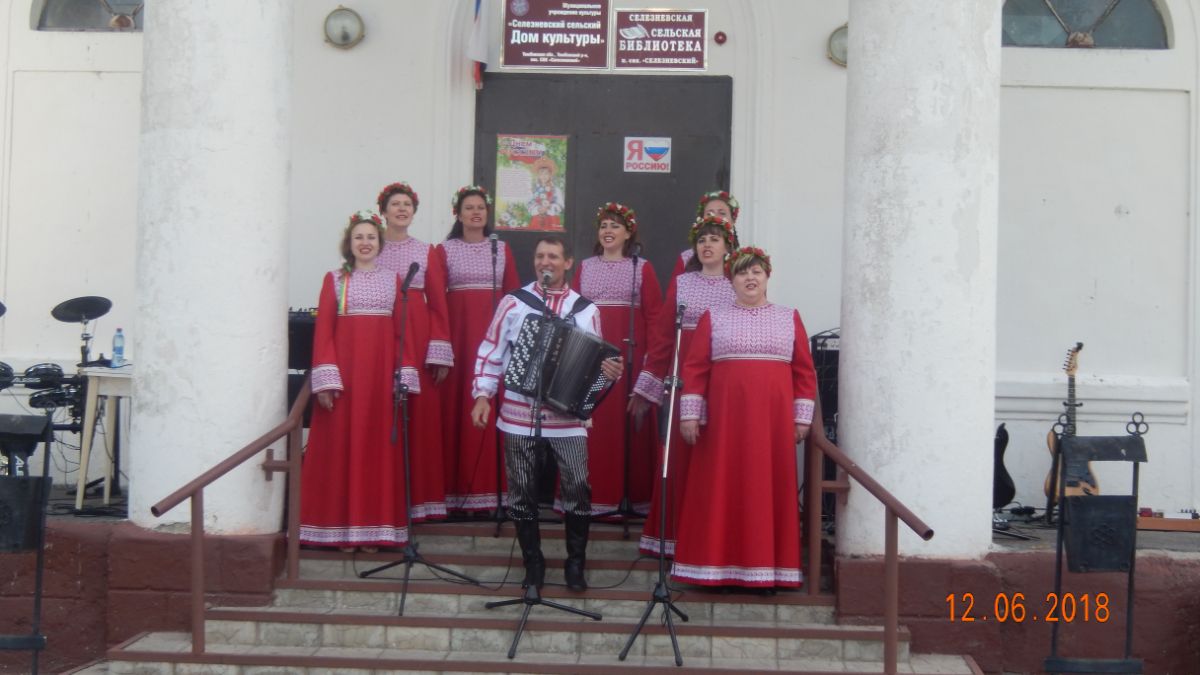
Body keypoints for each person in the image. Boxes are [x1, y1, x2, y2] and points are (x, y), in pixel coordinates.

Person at [470, 236, 623, 592]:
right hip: (519, 415)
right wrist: (482, 395)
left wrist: (609, 372)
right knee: (521, 490)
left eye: (553, 256)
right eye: (540, 256)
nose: (545, 262)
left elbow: (596, 366)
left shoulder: (585, 310)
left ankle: (575, 562)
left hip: (567, 419)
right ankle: (533, 564)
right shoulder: (514, 303)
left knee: (577, 487)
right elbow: (491, 351)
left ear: (568, 263)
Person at [672, 246, 816, 589]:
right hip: (723, 426)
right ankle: (714, 569)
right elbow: (695, 368)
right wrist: (690, 415)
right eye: (741, 272)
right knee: (721, 489)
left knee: (766, 490)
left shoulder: (789, 317)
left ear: (767, 277)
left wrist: (802, 418)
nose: (749, 278)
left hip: (772, 427)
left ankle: (768, 573)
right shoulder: (713, 317)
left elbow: (804, 372)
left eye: (756, 272)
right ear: (731, 280)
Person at [299, 210, 421, 552]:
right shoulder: (335, 280)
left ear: (379, 243)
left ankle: (373, 531)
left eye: (370, 237)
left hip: (380, 382)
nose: (365, 243)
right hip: (345, 383)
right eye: (358, 237)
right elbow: (324, 332)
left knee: (376, 453)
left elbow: (402, 332)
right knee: (341, 452)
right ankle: (341, 532)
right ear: (348, 244)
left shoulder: (394, 280)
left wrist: (403, 374)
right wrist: (327, 381)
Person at [631, 215, 737, 557]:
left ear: (728, 246)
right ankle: (677, 537)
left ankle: (714, 539)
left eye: (714, 239)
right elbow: (663, 336)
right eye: (702, 239)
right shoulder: (683, 283)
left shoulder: (738, 284)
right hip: (684, 381)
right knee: (681, 458)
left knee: (718, 460)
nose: (707, 245)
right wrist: (647, 385)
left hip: (724, 383)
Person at [573, 202, 662, 517]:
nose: (608, 231)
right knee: (593, 425)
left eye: (615, 225)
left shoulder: (642, 268)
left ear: (628, 233)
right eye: (604, 226)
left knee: (626, 430)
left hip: (629, 358)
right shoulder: (585, 267)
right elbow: (573, 311)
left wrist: (650, 364)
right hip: (592, 356)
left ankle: (629, 499)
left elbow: (655, 317)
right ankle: (591, 497)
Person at [437, 186, 520, 513]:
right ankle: (455, 492)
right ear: (458, 214)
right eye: (469, 208)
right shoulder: (444, 250)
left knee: (493, 406)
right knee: (458, 408)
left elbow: (514, 297)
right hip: (460, 340)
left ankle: (490, 493)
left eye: (480, 208)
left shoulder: (501, 249)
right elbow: (437, 299)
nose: (475, 213)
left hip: (493, 339)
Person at [374, 181, 451, 521]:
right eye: (395, 204)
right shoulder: (371, 246)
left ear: (414, 212)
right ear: (383, 211)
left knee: (419, 419)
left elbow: (438, 304)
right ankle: (383, 500)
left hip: (417, 340)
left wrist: (439, 350)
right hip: (379, 336)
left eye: (407, 204)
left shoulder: (425, 251)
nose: (402, 209)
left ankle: (419, 500)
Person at [671, 190, 740, 278]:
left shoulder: (742, 260)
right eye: (709, 213)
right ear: (701, 219)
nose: (715, 217)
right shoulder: (686, 258)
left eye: (722, 213)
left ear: (733, 221)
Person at [527, 155, 563, 230]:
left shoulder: (556, 189)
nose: (544, 176)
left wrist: (549, 207)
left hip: (552, 219)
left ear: (550, 175)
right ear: (538, 175)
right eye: (541, 174)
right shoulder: (533, 189)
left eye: (546, 173)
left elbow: (560, 205)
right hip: (537, 219)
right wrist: (538, 209)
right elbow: (529, 203)